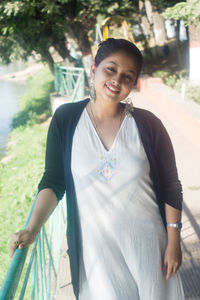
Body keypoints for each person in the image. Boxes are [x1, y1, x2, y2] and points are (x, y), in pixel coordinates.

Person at [10, 38, 185, 300]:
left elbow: (171, 184)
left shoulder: (148, 125)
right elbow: (54, 181)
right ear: (94, 68)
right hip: (96, 255)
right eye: (110, 69)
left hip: (150, 247)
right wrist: (32, 229)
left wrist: (174, 241)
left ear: (134, 83)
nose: (117, 80)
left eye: (128, 76)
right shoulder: (66, 119)